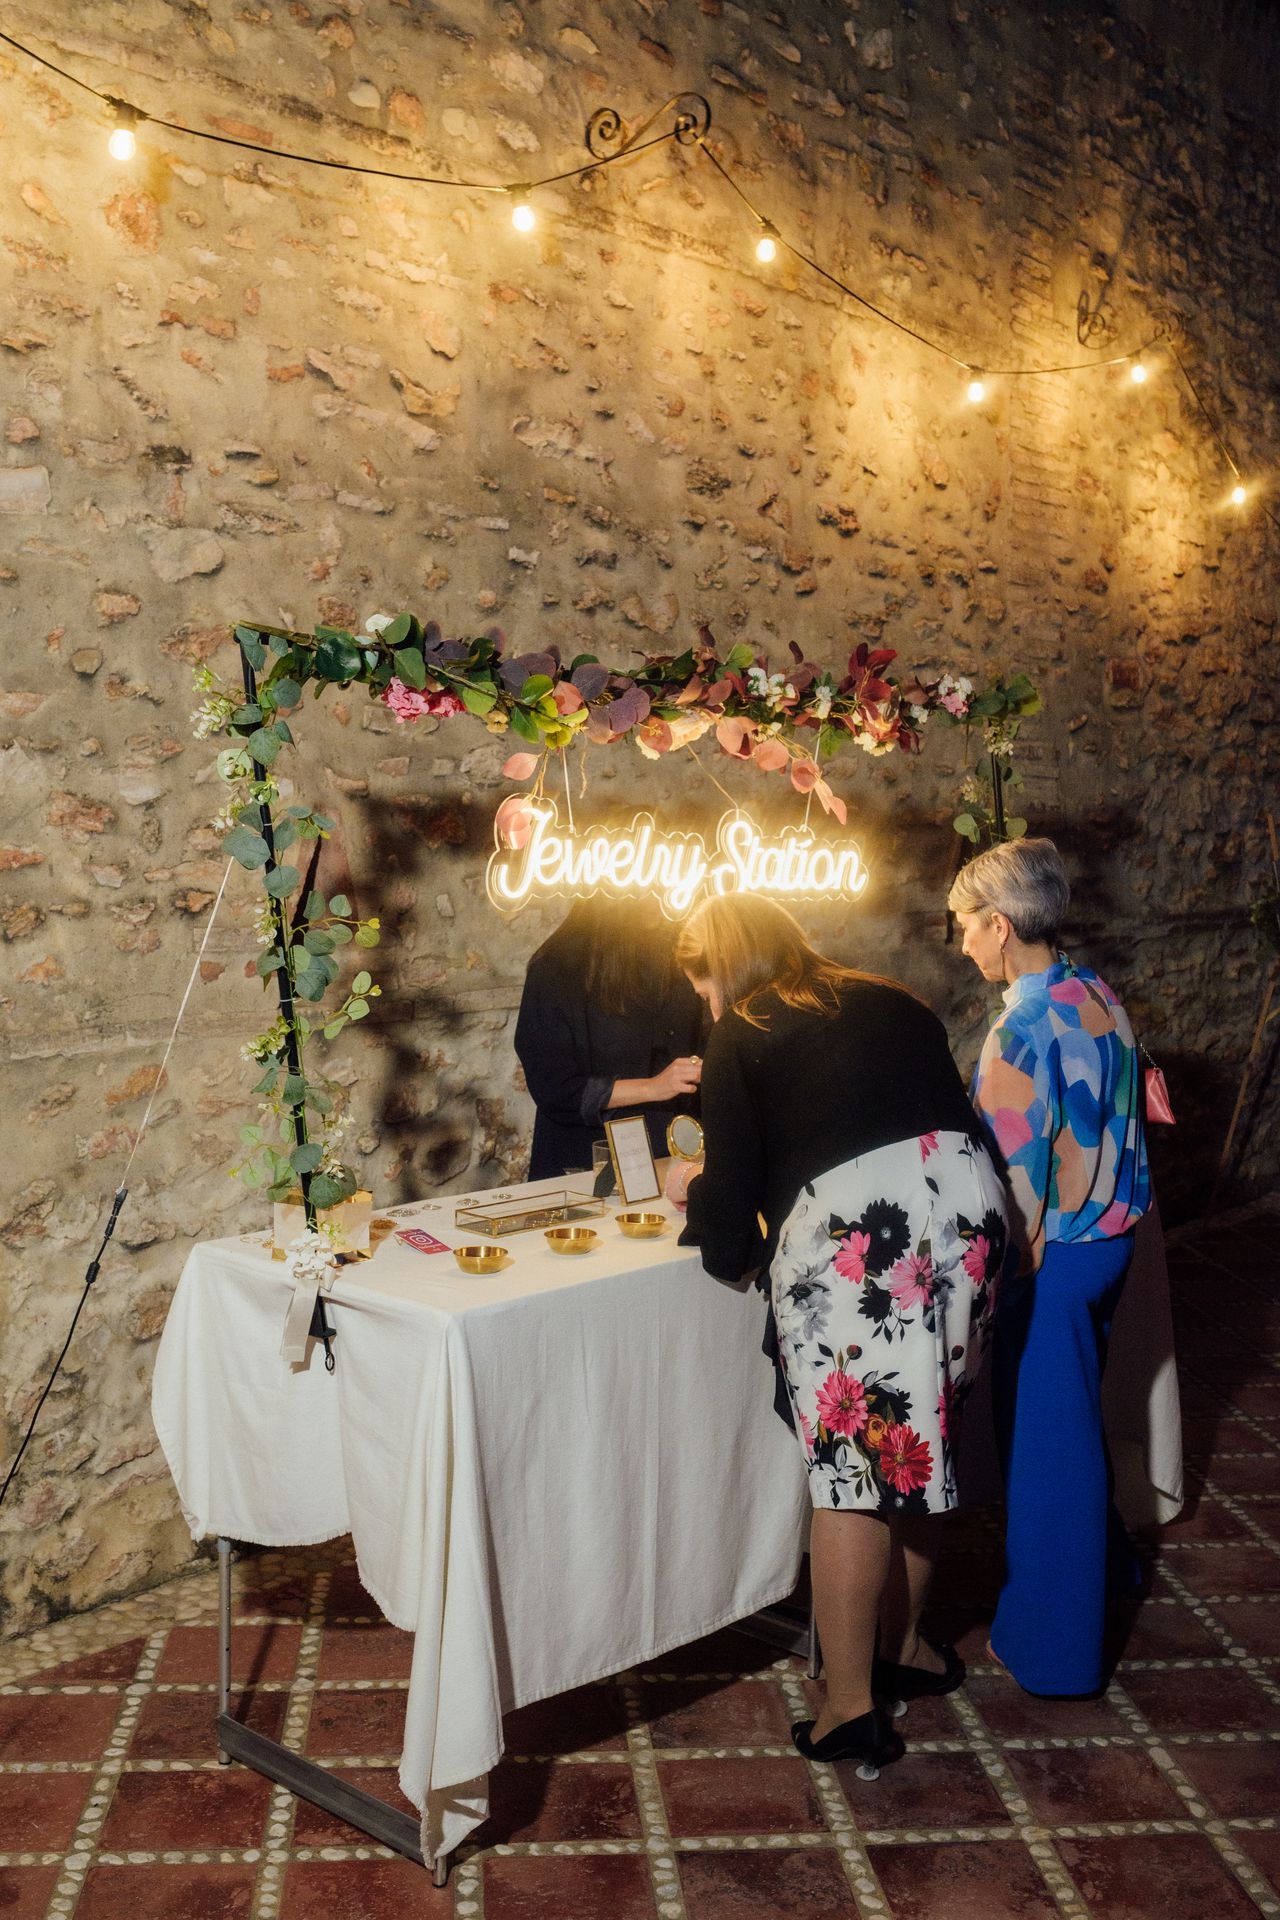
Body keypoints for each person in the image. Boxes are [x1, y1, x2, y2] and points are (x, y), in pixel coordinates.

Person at [670, 894, 1009, 1774]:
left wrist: (693, 1193)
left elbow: (730, 1224)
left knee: (853, 1476)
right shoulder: (890, 997)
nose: (706, 1002)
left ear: (724, 967)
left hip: (867, 1232)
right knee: (923, 1444)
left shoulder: (741, 1030)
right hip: (970, 1209)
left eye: (703, 984)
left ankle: (852, 1708)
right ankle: (907, 1649)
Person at [948, 836, 1151, 1696]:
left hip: (1057, 1259)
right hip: (1114, 1243)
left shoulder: (1020, 1030)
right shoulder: (1094, 989)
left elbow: (1013, 1186)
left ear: (1000, 925)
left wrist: (994, 1280)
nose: (961, 942)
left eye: (966, 924)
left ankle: (1053, 1651)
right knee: (1070, 1425)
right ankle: (1112, 1573)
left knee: (1045, 1453)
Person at [514, 895, 705, 1180]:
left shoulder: (675, 958)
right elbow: (554, 1088)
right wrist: (653, 1087)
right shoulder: (558, 969)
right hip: (585, 1161)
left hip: (672, 1155)